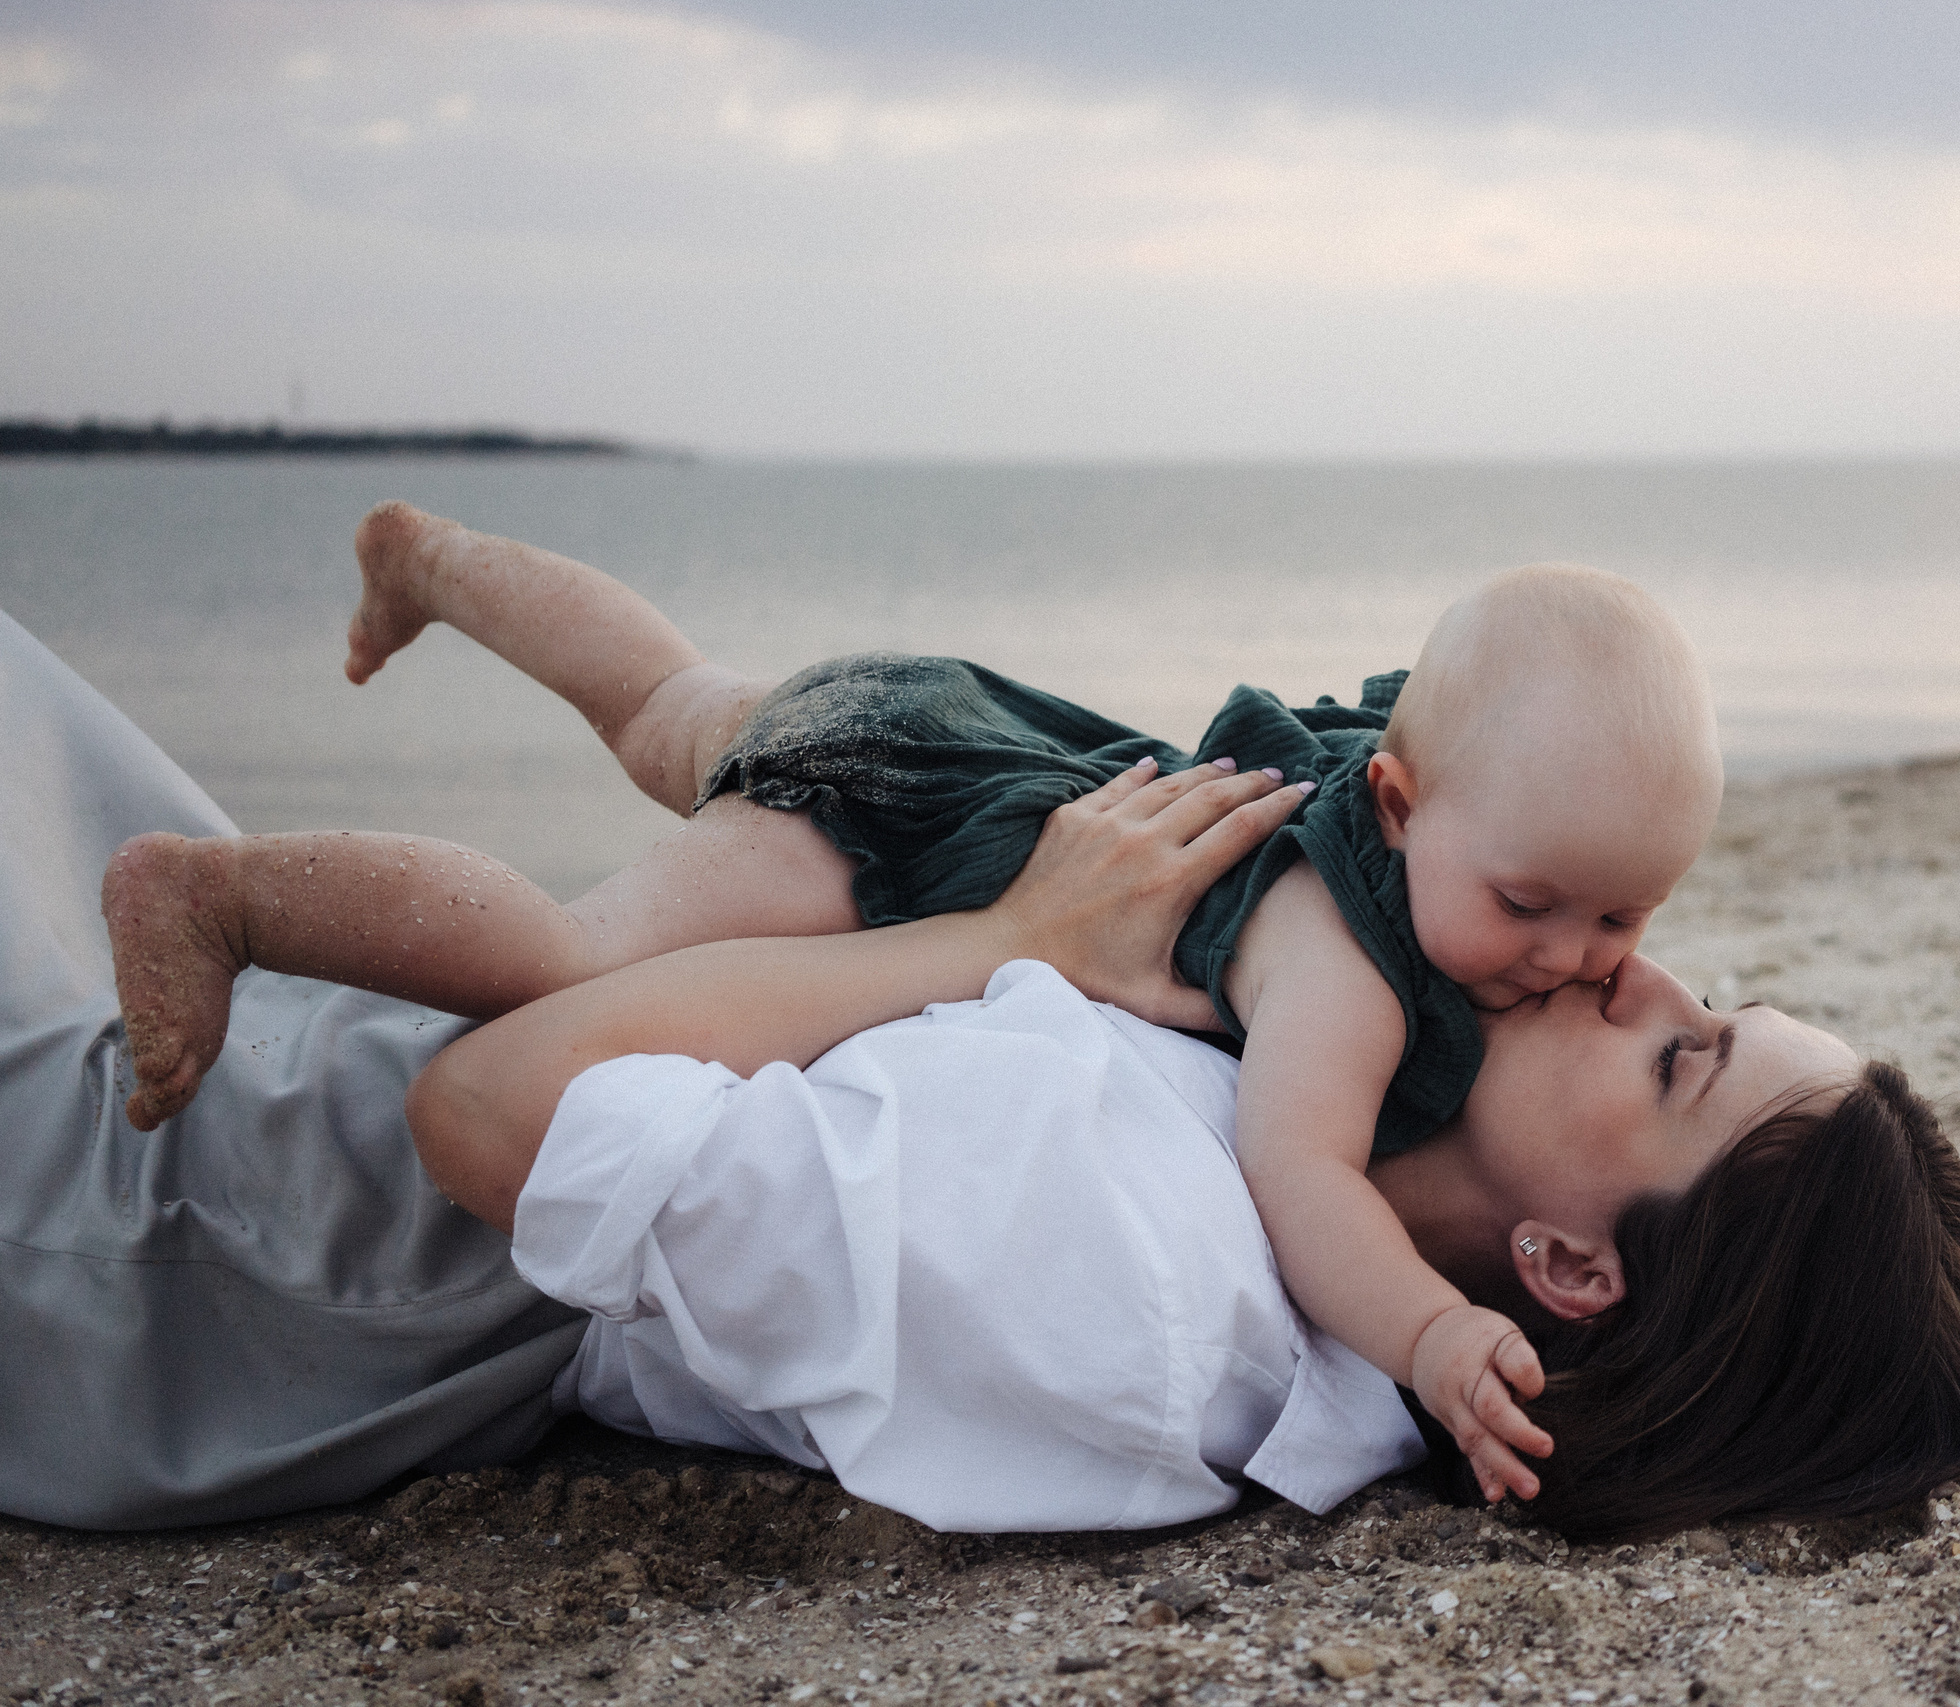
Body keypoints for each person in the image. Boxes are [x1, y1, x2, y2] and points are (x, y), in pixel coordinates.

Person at [1, 611, 1960, 1539]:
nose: (1635, 969)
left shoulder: (1131, 1258)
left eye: (1681, 1051)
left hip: (188, 1219)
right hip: (261, 1083)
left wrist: (999, 942)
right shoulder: (1307, 1102)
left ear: (1566, 1265)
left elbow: (487, 1113)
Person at [103, 503, 1723, 1501]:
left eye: (1629, 914)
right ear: (1394, 802)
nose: (1593, 957)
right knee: (571, 962)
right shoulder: (1353, 978)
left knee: (673, 704)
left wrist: (1533, 888)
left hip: (947, 724)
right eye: (1536, 908)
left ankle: (435, 561)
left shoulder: (1446, 778)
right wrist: (1431, 1333)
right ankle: (229, 893)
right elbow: (1299, 1175)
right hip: (892, 845)